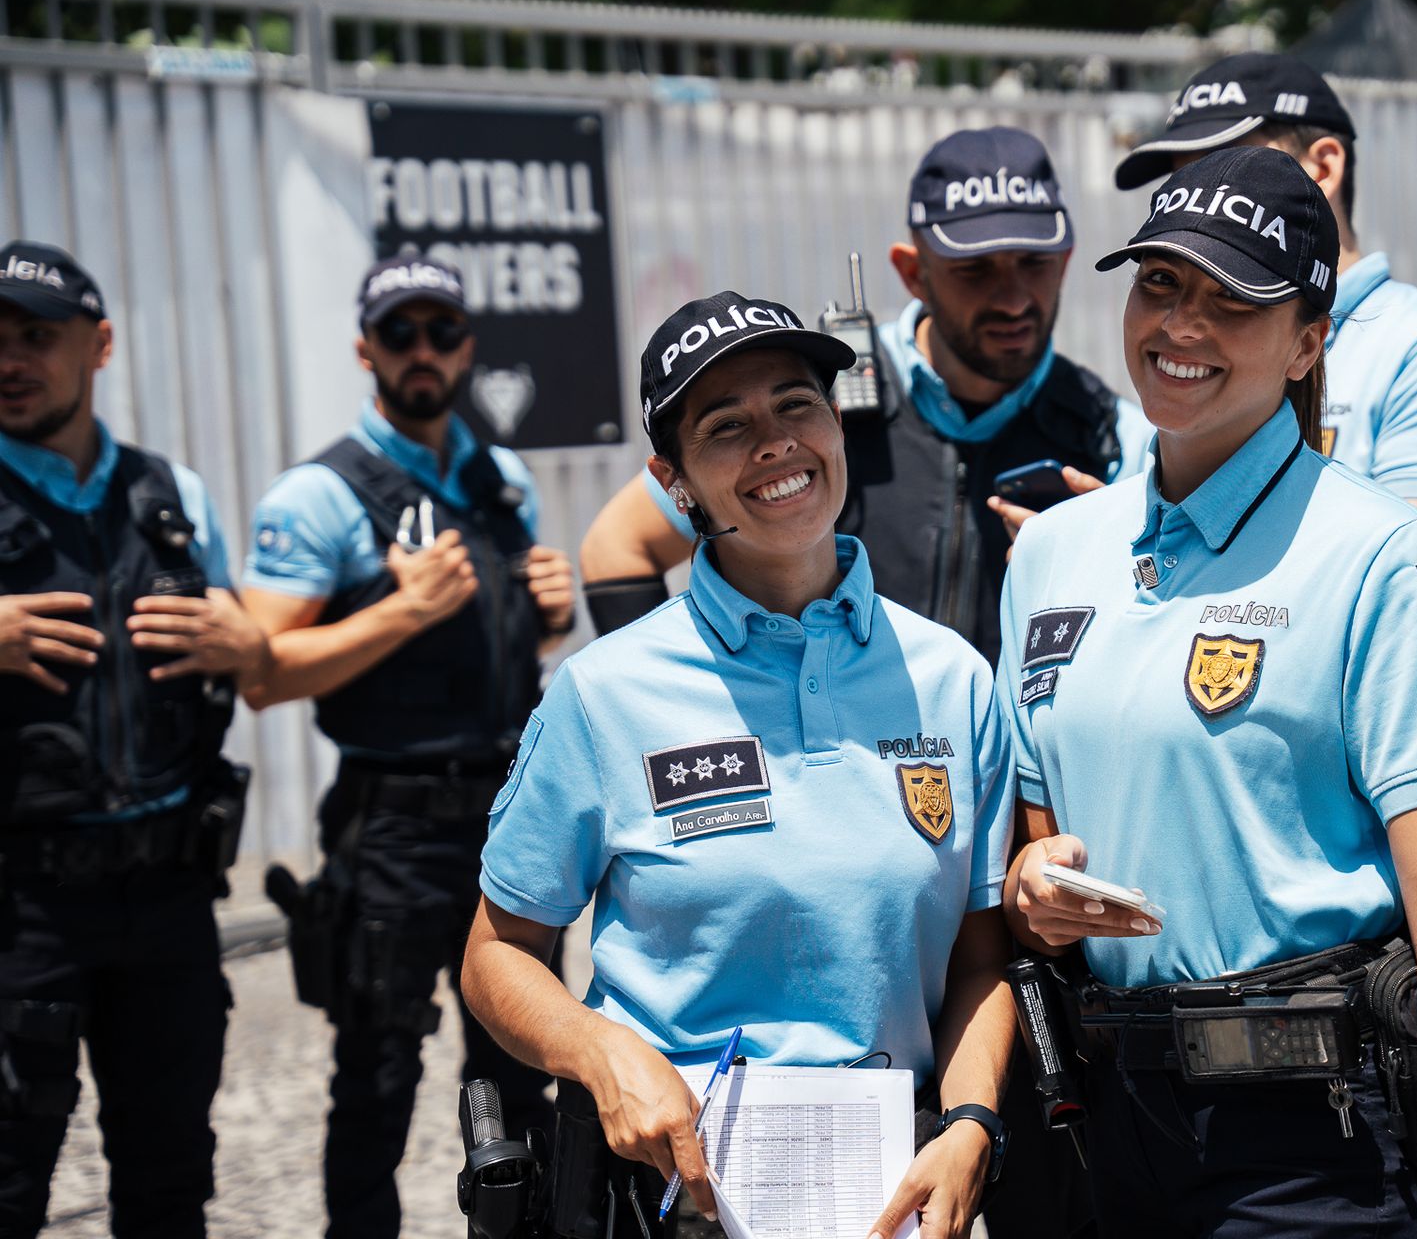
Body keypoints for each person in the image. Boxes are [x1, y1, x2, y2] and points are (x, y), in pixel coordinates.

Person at [999, 149, 1417, 1238]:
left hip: (1309, 1143)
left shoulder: (1392, 562)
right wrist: (1035, 887)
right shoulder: (1053, 552)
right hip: (1098, 1128)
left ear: (1307, 340)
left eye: (1230, 300)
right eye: (1160, 283)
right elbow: (1042, 841)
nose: (1180, 324)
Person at [461, 290, 1015, 1239]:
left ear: (835, 424)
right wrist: (597, 1053)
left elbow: (980, 962)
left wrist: (971, 1125)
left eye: (795, 404)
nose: (773, 442)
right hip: (677, 1199)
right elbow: (497, 957)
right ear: (673, 482)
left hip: (895, 1197)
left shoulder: (953, 679)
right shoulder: (606, 693)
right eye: (726, 426)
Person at [238, 254, 578, 1239]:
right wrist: (400, 610)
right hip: (389, 830)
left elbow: (490, 654)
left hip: (510, 819)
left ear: (467, 345)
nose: (422, 350)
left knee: (520, 1077)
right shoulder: (320, 494)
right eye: (399, 332)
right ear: (365, 348)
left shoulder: (497, 476)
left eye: (440, 330)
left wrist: (544, 617)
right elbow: (263, 673)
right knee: (376, 1086)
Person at [578, 126, 1153, 666]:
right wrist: (675, 708)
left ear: (1067, 260)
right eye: (974, 270)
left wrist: (1108, 578)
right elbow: (617, 546)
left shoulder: (1116, 438)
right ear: (912, 273)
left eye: (1034, 264)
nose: (1011, 299)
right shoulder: (814, 398)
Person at [0, 240, 266, 1236]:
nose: (11, 358)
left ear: (99, 345)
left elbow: (259, 666)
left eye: (37, 335)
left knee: (168, 1181)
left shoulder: (174, 496)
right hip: (20, 904)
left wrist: (250, 640)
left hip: (168, 896)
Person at [1116, 52, 1417, 612]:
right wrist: (1109, 556)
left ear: (1324, 165)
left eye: (1229, 164)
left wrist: (1137, 577)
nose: (1204, 198)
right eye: (1185, 177)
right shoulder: (1173, 346)